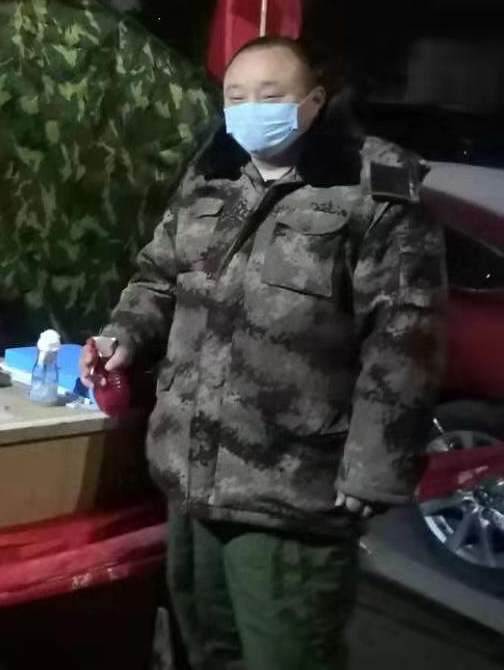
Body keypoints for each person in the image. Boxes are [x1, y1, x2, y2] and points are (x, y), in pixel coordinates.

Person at [81, 36, 445, 669]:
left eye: (271, 96)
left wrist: (374, 467)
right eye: (237, 96)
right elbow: (158, 279)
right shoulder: (213, 175)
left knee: (286, 656)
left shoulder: (370, 189)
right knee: (202, 649)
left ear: (314, 101)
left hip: (293, 492)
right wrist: (123, 336)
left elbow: (404, 337)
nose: (252, 109)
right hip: (191, 474)